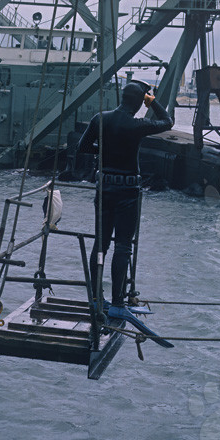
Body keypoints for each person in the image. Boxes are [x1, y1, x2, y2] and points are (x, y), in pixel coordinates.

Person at [76, 80, 172, 310]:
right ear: (139, 102)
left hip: (104, 188)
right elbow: (168, 122)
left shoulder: (101, 119)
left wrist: (104, 151)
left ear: (121, 98)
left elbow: (83, 146)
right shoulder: (137, 125)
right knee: (122, 246)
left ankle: (96, 297)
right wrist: (153, 102)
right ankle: (118, 300)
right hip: (128, 191)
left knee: (101, 244)